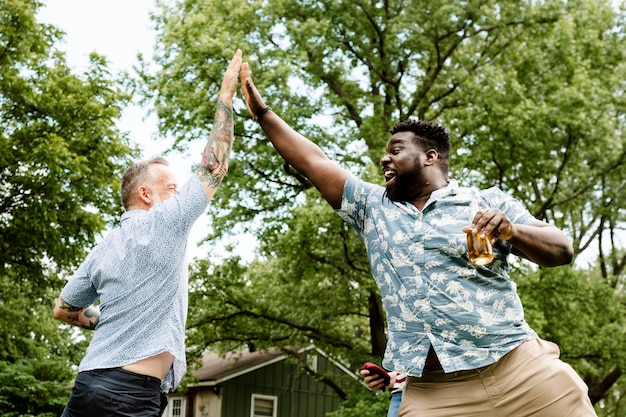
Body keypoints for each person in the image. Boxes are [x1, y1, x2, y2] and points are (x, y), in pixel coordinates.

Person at [239, 62, 597, 416]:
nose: (384, 158)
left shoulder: (486, 200)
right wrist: (262, 113)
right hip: (433, 393)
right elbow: (313, 161)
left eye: (395, 150)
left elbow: (561, 249)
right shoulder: (371, 208)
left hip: (520, 370)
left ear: (429, 157)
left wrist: (511, 230)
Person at [52, 50, 242, 417]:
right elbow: (213, 168)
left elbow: (63, 309)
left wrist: (110, 322)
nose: (177, 194)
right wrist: (226, 97)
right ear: (145, 194)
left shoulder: (102, 248)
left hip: (87, 386)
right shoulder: (166, 222)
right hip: (131, 394)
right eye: (170, 188)